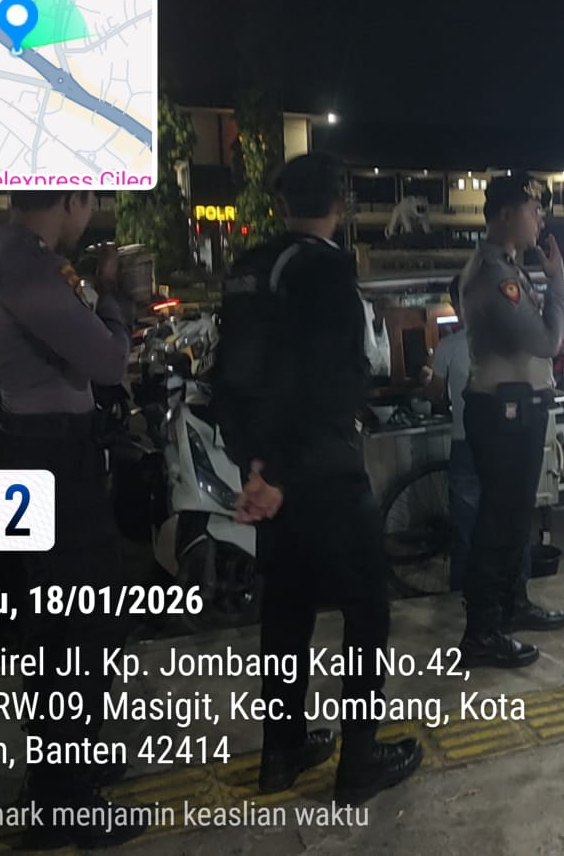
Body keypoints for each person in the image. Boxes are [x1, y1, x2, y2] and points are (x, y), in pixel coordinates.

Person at [215, 153, 421, 803]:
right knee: (366, 612)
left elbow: (229, 376)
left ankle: (281, 753)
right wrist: (279, 471)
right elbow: (330, 380)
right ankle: (358, 763)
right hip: (322, 471)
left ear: (281, 205)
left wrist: (253, 466)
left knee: (286, 611)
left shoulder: (248, 269)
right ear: (340, 204)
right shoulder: (327, 269)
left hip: (265, 473)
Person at [0, 190, 143, 849]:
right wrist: (114, 301)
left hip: (31, 450)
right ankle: (65, 801)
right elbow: (108, 361)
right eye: (91, 202)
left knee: (55, 628)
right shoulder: (27, 266)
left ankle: (60, 774)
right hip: (54, 461)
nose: (91, 215)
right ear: (71, 198)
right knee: (81, 628)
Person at [457, 174, 564, 670]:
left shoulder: (507, 269)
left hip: (516, 409)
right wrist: (559, 283)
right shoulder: (493, 275)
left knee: (514, 516)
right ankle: (481, 631)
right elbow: (547, 342)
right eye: (532, 210)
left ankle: (511, 603)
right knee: (498, 521)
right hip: (502, 413)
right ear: (505, 215)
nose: (540, 219)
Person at [423, 276, 533, 593]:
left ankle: (464, 595)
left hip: (466, 445)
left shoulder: (448, 347)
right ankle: (516, 593)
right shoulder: (512, 341)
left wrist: (427, 375)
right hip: (509, 446)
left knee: (467, 529)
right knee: (512, 523)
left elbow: (434, 395)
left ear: (458, 306)